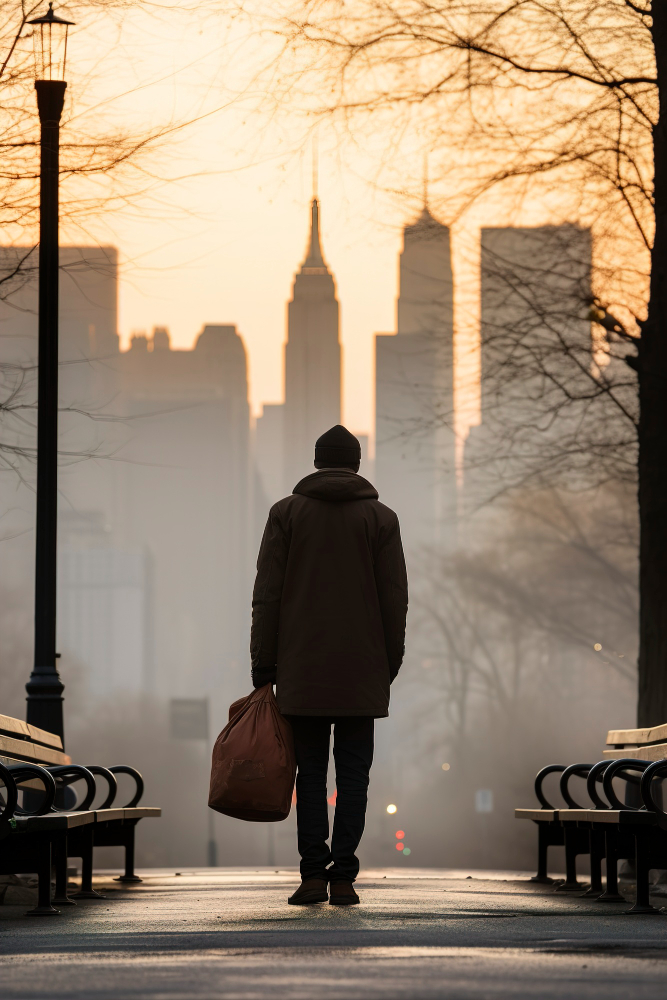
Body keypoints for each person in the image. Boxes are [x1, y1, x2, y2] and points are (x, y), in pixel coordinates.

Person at [250, 424, 408, 905]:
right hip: (363, 671)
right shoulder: (381, 519)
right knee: (355, 777)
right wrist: (388, 664)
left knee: (311, 776)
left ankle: (313, 876)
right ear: (357, 463)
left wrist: (265, 668)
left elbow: (267, 596)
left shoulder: (286, 514)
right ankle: (345, 878)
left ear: (317, 462)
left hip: (302, 671)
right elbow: (394, 601)